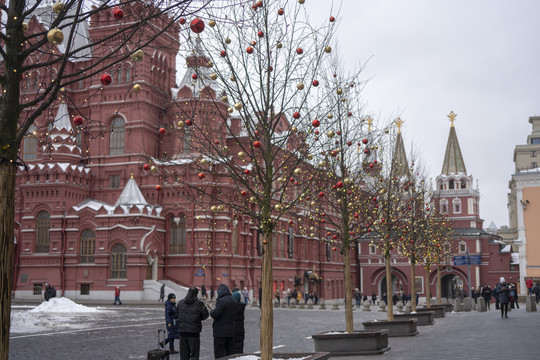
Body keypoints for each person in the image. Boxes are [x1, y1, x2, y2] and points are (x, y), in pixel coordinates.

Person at [177, 287, 209, 360]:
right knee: (194, 355)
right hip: (194, 333)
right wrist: (198, 319)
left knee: (184, 355)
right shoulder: (199, 303)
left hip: (182, 332)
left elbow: (177, 314)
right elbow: (206, 315)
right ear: (196, 294)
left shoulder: (181, 302)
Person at [210, 284, 237, 359]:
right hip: (231, 330)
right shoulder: (233, 300)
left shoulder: (222, 301)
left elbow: (215, 314)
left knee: (219, 352)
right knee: (230, 351)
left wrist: (212, 312)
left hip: (220, 332)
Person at [231, 289, 246, 354]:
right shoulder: (242, 306)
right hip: (240, 328)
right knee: (240, 344)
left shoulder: (232, 307)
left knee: (233, 345)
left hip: (233, 328)